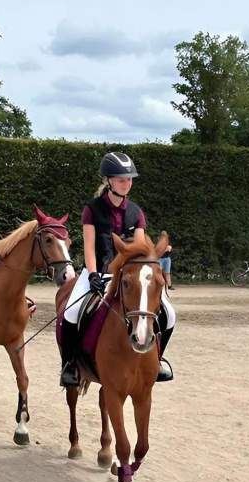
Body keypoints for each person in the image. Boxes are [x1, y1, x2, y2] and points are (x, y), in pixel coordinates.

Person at [59, 151, 176, 387]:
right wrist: (92, 274)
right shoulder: (92, 209)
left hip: (129, 275)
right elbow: (90, 247)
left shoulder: (136, 212)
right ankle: (70, 364)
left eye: (130, 179)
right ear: (109, 181)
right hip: (98, 272)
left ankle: (158, 359)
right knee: (71, 313)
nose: (127, 183)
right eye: (122, 179)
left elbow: (141, 248)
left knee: (170, 314)